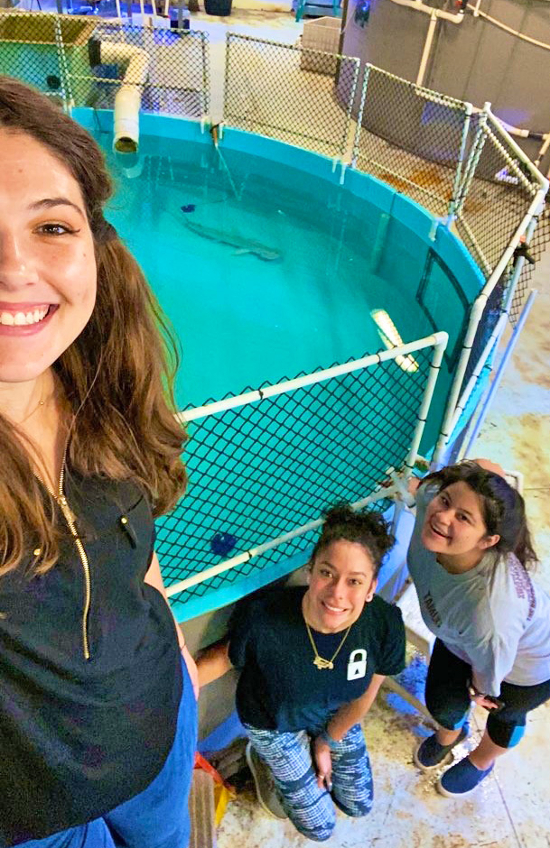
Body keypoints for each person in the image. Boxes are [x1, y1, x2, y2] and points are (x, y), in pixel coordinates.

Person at [0, 76, 198, 848]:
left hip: (159, 734)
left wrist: (175, 651)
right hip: (38, 813)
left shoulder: (106, 398)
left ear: (94, 247)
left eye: (51, 227)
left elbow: (138, 561)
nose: (16, 269)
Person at [196, 504, 406, 842]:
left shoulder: (384, 625)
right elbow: (221, 659)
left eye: (354, 581)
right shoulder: (265, 618)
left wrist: (328, 741)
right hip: (273, 722)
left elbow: (366, 692)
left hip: (334, 711)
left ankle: (311, 746)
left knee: (359, 804)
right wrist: (170, 690)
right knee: (319, 828)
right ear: (310, 571)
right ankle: (263, 757)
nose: (337, 593)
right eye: (327, 573)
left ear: (371, 588)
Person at [408, 459, 550, 797]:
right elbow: (486, 468)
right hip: (459, 636)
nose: (443, 516)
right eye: (446, 501)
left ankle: (482, 760)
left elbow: (489, 679)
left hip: (525, 667)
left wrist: (482, 690)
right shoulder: (432, 500)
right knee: (442, 701)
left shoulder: (489, 613)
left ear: (488, 540)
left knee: (506, 716)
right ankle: (448, 734)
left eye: (463, 517)